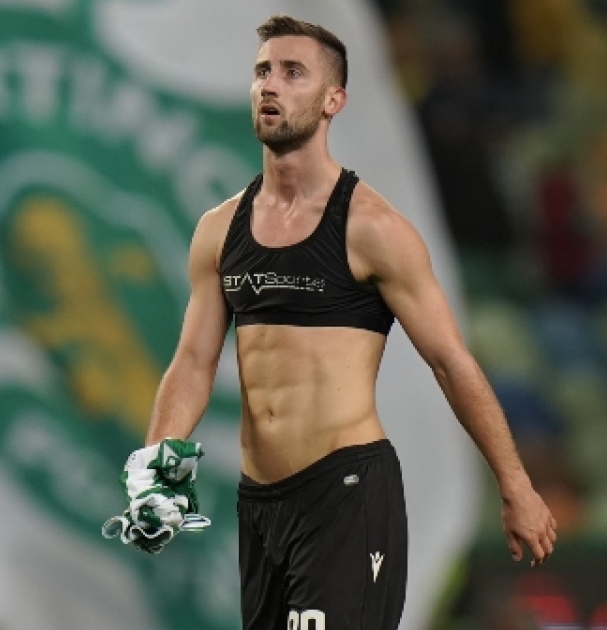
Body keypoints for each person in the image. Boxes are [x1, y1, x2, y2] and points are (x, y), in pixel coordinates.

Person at [114, 13, 557, 630]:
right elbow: (192, 362)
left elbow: (450, 361)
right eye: (263, 72)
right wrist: (159, 468)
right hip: (261, 504)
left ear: (333, 100)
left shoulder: (373, 229)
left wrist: (515, 484)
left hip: (346, 497)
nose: (271, 85)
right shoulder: (219, 229)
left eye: (293, 72)